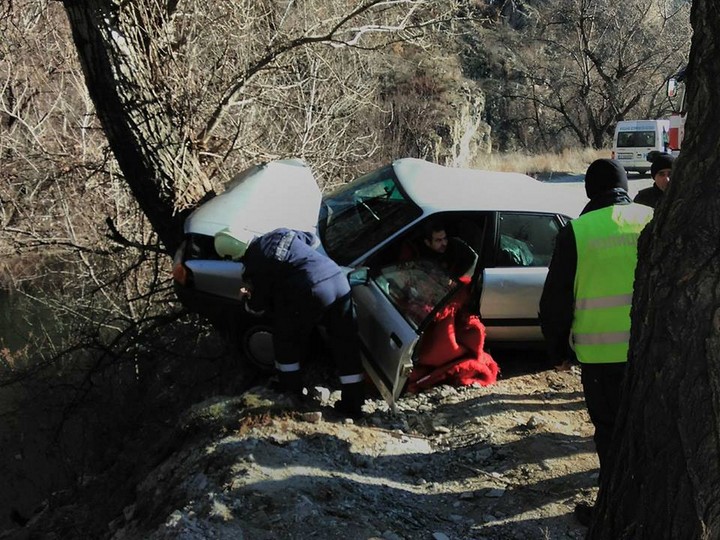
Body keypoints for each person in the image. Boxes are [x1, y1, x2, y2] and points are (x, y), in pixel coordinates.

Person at [539, 158, 653, 526]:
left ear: (589, 191)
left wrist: (557, 351)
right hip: (651, 353)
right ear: (626, 187)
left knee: (610, 433)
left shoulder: (577, 231)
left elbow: (555, 300)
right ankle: (652, 509)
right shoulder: (651, 219)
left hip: (600, 356)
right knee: (650, 429)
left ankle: (616, 512)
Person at [217, 227, 366, 418]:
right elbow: (312, 240)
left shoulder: (254, 265)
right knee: (346, 343)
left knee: (286, 339)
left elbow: (258, 305)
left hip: (309, 289)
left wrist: (246, 299)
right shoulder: (278, 233)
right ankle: (354, 405)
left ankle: (290, 393)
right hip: (337, 279)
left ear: (233, 255)